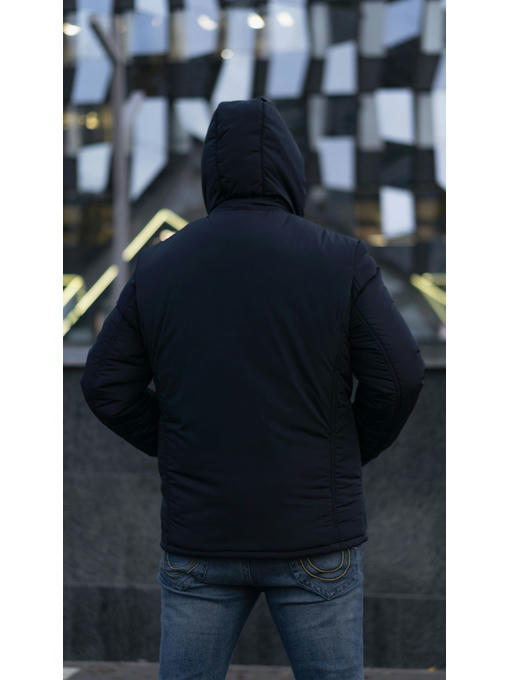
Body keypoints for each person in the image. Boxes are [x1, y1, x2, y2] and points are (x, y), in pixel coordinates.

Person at [81, 96, 425, 680]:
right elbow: (399, 377)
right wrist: (342, 452)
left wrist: (177, 444)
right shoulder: (341, 259)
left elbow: (105, 383)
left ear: (211, 173)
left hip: (201, 534)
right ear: (291, 168)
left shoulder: (161, 266)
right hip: (315, 532)